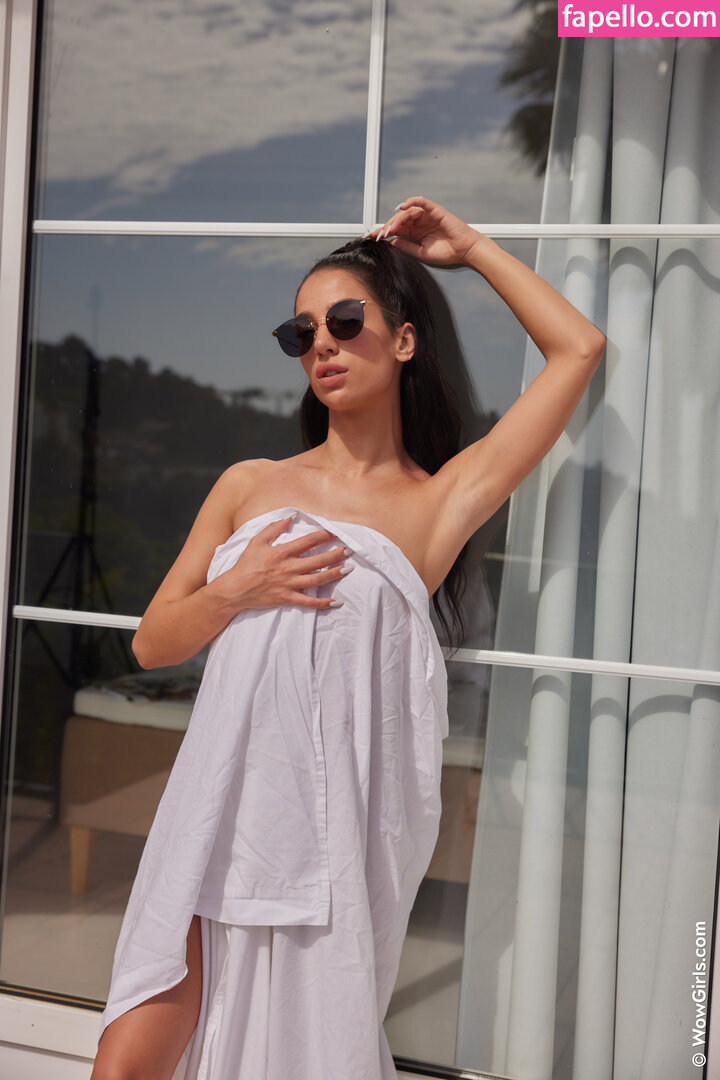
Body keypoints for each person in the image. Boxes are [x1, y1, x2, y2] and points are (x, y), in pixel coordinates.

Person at [90, 196, 606, 1080]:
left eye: (343, 321)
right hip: (217, 818)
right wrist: (237, 590)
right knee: (125, 1064)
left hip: (336, 847)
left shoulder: (437, 504)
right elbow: (151, 645)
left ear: (403, 340)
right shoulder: (249, 484)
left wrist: (472, 248)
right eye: (301, 333)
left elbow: (579, 349)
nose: (320, 345)